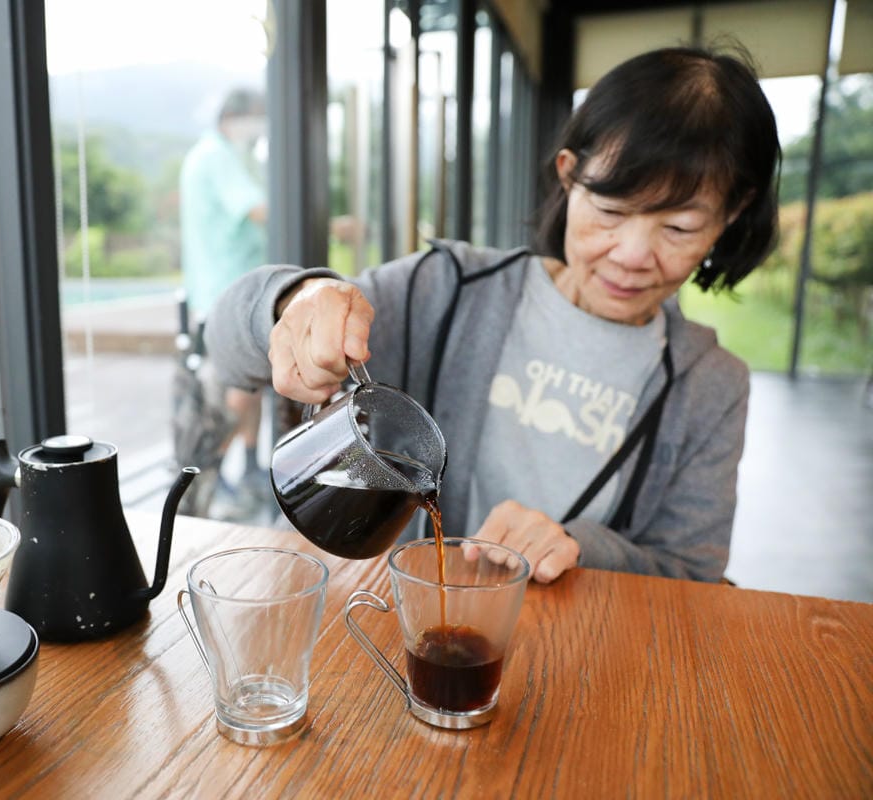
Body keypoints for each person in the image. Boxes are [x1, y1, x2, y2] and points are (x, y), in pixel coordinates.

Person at [204, 45, 781, 583]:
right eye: (608, 211)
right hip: (377, 624)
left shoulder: (709, 385)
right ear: (567, 174)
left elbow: (693, 574)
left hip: (570, 658)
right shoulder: (451, 288)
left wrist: (582, 546)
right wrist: (295, 301)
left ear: (731, 215)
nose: (631, 256)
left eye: (677, 228)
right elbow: (225, 344)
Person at [177, 88, 271, 517]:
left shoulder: (227, 154)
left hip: (234, 292)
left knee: (248, 388)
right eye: (256, 117)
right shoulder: (215, 156)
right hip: (223, 298)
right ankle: (210, 482)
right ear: (235, 116)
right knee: (233, 395)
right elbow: (258, 209)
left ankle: (249, 469)